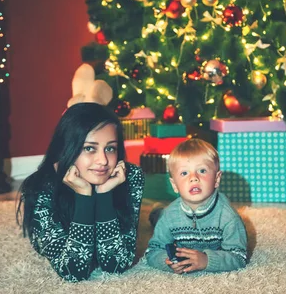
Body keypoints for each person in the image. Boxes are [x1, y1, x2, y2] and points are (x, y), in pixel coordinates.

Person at [16, 102, 144, 282]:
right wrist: (84, 196)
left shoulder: (129, 177)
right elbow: (73, 272)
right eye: (89, 148)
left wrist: (105, 194)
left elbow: (116, 265)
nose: (103, 161)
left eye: (110, 148)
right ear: (67, 148)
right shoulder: (40, 187)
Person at [145, 138, 248, 274]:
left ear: (217, 179)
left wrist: (207, 260)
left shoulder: (228, 217)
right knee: (158, 216)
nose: (193, 178)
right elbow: (152, 251)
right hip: (166, 213)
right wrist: (167, 261)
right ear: (174, 185)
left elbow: (239, 257)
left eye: (202, 171)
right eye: (184, 173)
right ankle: (157, 209)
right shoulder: (169, 216)